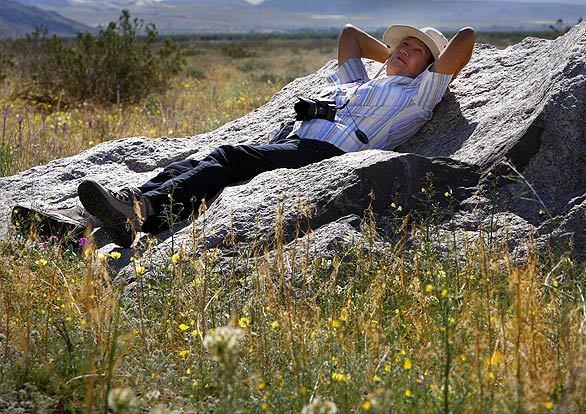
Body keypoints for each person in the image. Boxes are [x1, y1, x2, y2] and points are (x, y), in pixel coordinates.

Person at [78, 24, 476, 248]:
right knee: (200, 162)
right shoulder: (363, 83)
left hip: (328, 153)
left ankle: (140, 212)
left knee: (231, 158)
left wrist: (423, 64)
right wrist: (394, 54)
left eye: (415, 51)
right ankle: (101, 225)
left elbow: (466, 37)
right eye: (401, 45)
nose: (403, 50)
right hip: (297, 143)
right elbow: (350, 35)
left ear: (431, 67)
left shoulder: (418, 95)